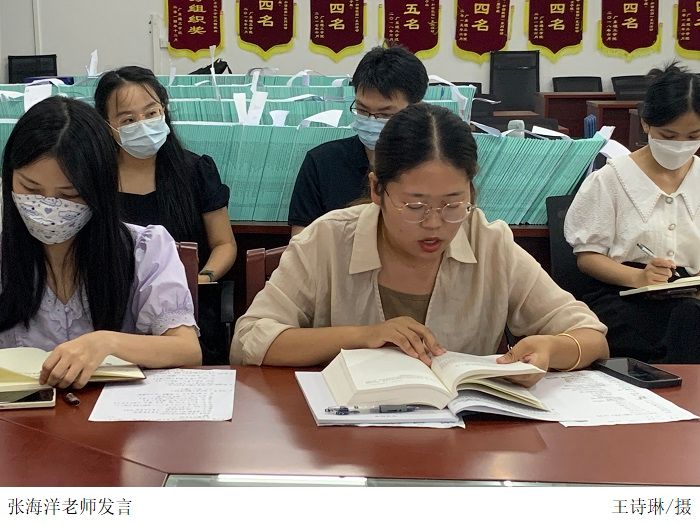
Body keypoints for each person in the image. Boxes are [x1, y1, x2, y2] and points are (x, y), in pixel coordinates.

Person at [233, 103, 609, 383]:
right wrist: (363, 336)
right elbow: (249, 340)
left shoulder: (489, 243)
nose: (434, 224)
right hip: (346, 434)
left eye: (453, 204)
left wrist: (551, 349)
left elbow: (591, 336)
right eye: (415, 206)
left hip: (463, 437)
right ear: (377, 190)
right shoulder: (328, 240)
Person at [0, 96, 201, 388]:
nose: (48, 207)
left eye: (68, 194)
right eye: (30, 189)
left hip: (115, 412)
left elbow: (187, 349)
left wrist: (107, 343)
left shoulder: (145, 248)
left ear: (100, 189)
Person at [95, 66, 237, 364]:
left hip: (186, 311)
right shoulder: (95, 180)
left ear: (164, 111)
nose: (143, 125)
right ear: (108, 126)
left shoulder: (196, 170)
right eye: (128, 120)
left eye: (151, 113)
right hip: (114, 312)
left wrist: (203, 277)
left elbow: (224, 244)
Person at [565, 62, 700, 363]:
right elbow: (588, 257)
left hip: (689, 296)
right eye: (669, 136)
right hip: (625, 295)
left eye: (693, 136)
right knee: (685, 323)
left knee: (689, 316)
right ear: (646, 124)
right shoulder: (611, 179)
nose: (681, 146)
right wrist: (639, 277)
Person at [287, 45, 429, 236]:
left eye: (385, 114)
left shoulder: (434, 164)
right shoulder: (322, 162)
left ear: (416, 109)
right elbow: (301, 241)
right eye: (362, 110)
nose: (371, 120)